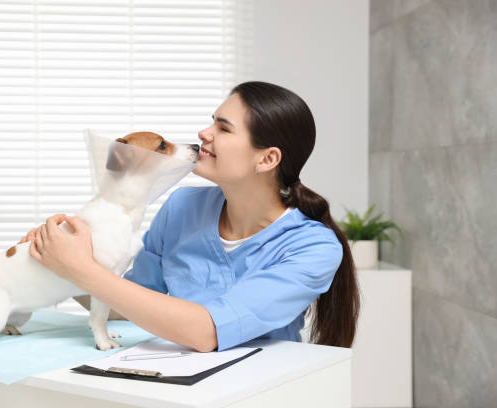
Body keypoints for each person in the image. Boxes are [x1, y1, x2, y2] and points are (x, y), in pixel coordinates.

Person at [18, 81, 360, 352]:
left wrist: (82, 269)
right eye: (212, 121)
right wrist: (57, 264)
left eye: (224, 129)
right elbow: (127, 303)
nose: (204, 133)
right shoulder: (183, 207)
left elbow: (207, 332)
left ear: (267, 159)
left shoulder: (313, 248)